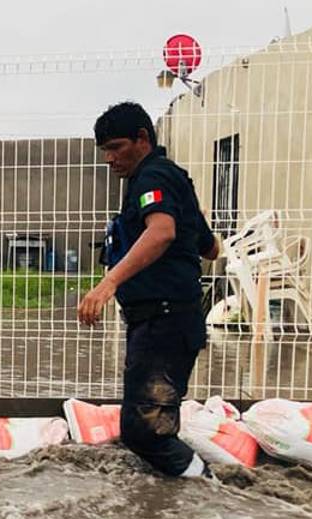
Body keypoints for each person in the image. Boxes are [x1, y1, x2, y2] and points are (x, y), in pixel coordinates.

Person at [78, 102, 220, 478]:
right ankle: (180, 494)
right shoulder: (172, 178)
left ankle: (205, 485)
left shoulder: (152, 177)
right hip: (167, 320)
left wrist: (108, 282)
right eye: (104, 151)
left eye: (117, 147)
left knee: (144, 431)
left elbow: (162, 232)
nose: (110, 159)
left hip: (164, 320)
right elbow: (210, 246)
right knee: (151, 421)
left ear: (143, 138)